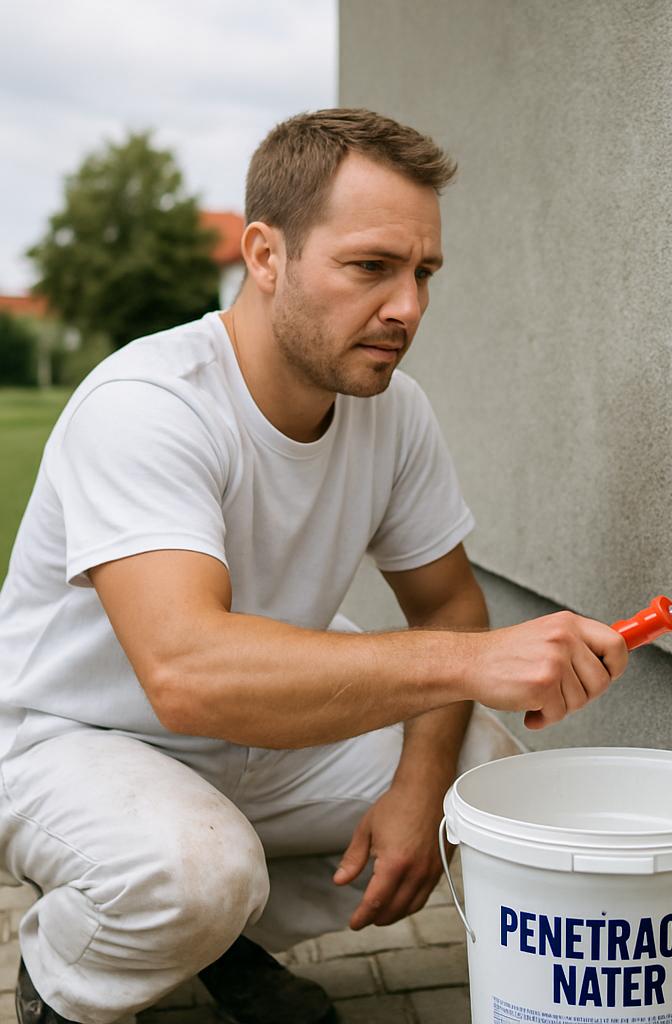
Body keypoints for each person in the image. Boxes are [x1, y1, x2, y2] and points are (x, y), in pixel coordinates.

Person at [0, 108, 629, 1024]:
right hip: (74, 742)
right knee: (193, 870)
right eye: (371, 267)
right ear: (265, 256)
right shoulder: (149, 405)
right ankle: (69, 973)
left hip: (258, 736)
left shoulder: (394, 412)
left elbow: (448, 602)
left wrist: (418, 792)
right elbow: (187, 673)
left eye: (423, 274)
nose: (407, 307)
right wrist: (468, 665)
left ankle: (215, 943)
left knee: (479, 791)